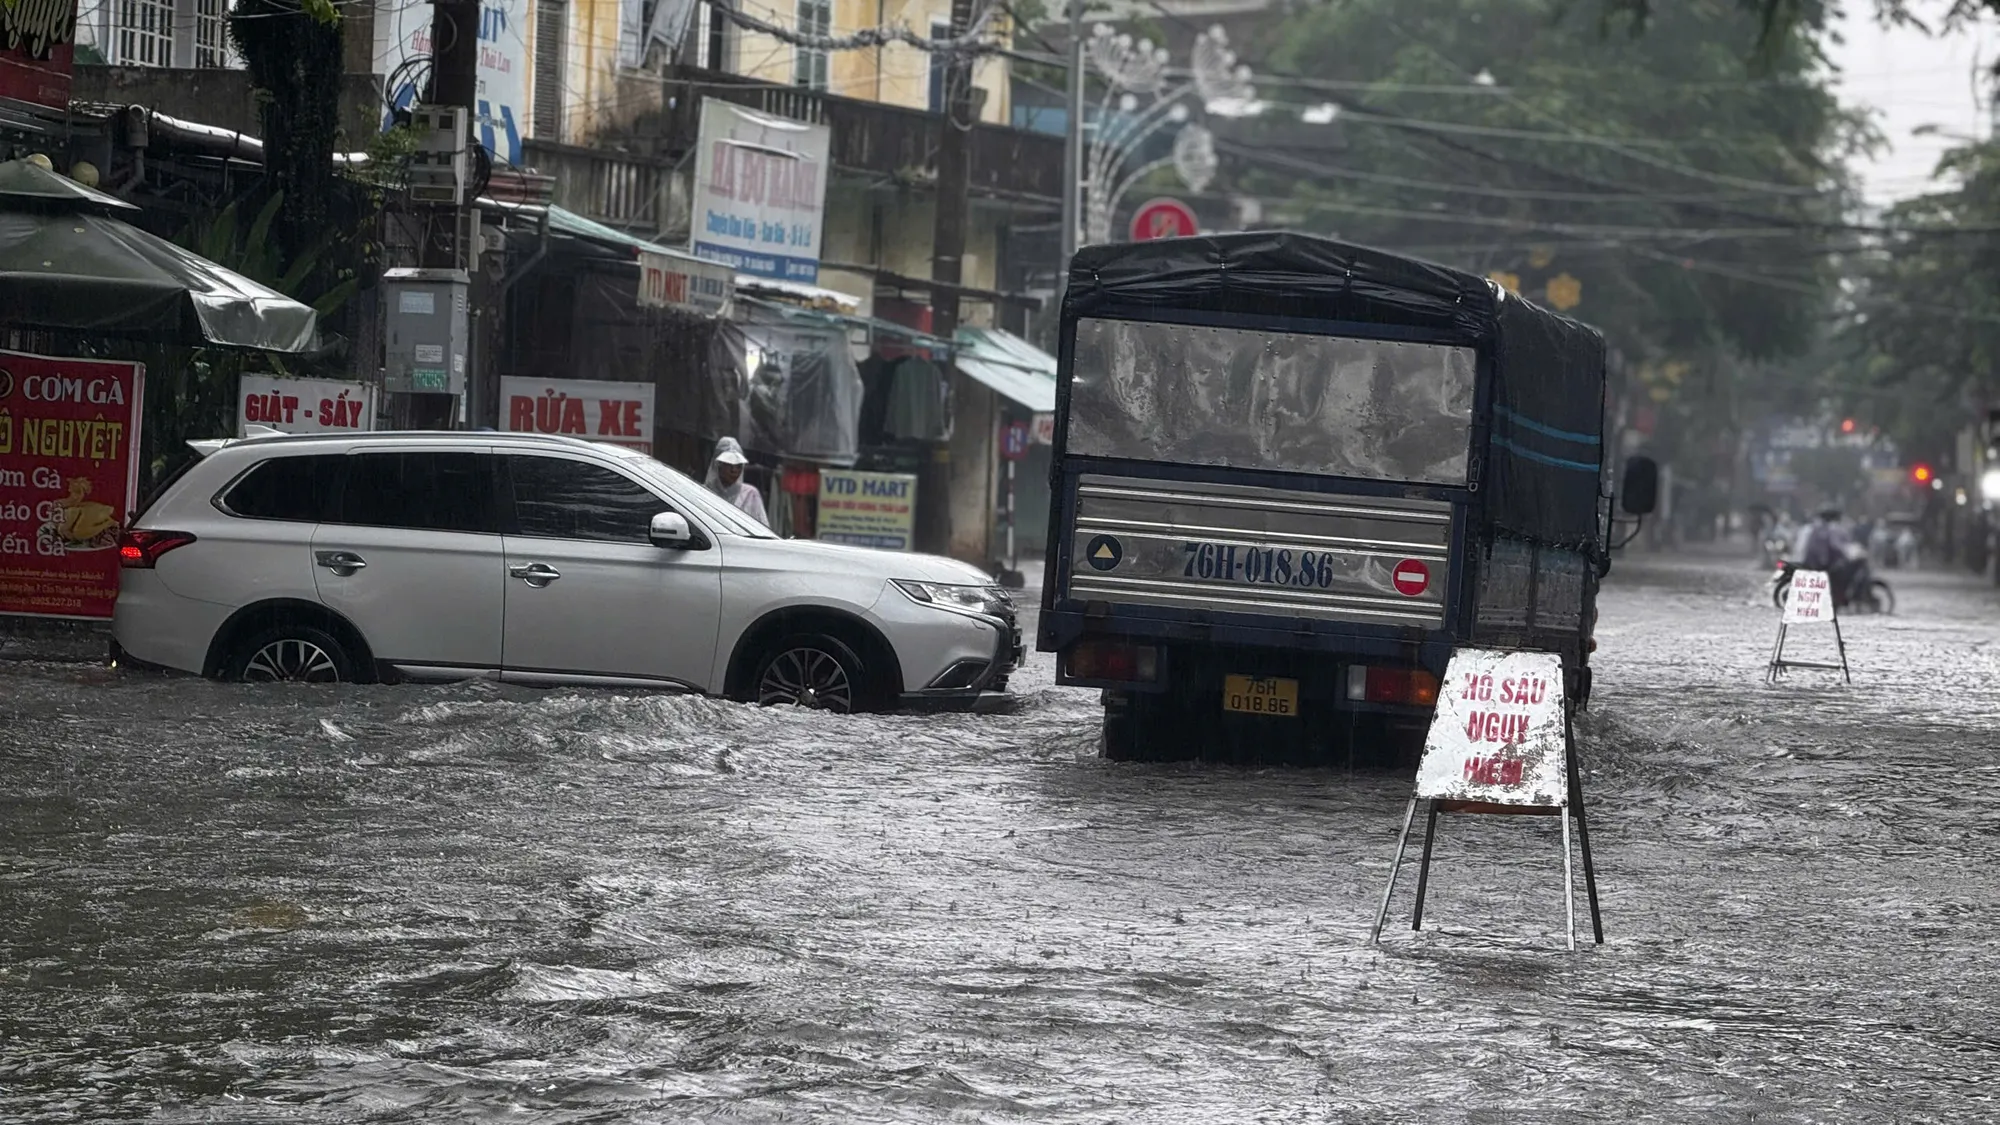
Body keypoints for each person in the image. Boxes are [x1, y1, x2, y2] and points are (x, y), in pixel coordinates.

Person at [1801, 506, 1868, 606]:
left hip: (1817, 561)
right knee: (1846, 572)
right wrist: (1847, 554)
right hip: (1822, 563)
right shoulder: (1828, 529)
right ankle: (1840, 597)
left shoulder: (1818, 528)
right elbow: (1835, 546)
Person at [703, 436, 771, 529]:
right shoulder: (704, 492)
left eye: (738, 466)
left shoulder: (750, 494)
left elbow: (763, 529)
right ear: (718, 464)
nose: (734, 470)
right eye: (729, 465)